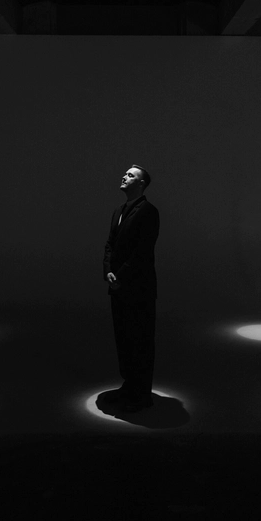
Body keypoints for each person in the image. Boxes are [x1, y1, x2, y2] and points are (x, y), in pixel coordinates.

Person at [103, 164, 159, 412]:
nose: (124, 176)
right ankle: (130, 387)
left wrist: (120, 275)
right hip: (118, 286)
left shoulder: (149, 211)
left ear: (141, 183)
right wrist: (108, 271)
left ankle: (141, 394)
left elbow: (142, 251)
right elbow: (110, 245)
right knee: (124, 338)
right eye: (125, 173)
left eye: (131, 175)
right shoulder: (118, 211)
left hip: (138, 289)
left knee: (140, 339)